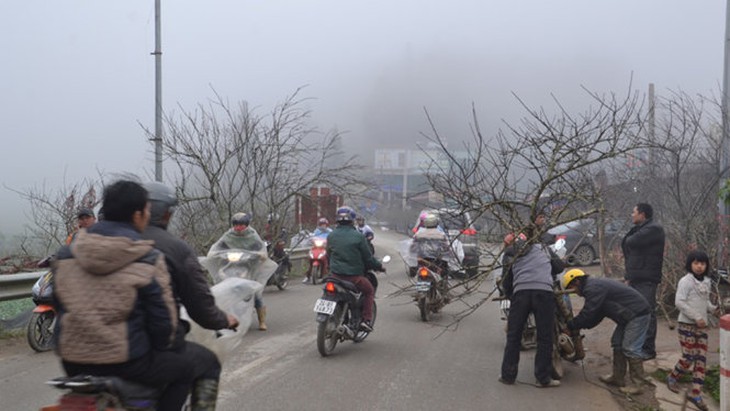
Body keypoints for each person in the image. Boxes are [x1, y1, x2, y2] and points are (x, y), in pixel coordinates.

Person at [52, 180, 194, 411]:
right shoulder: (148, 257)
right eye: (146, 211)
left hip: (72, 361)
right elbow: (163, 322)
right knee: (185, 369)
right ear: (138, 215)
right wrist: (168, 343)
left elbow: (60, 305)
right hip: (126, 362)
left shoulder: (66, 254)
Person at [141, 181, 239, 410]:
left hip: (77, 356)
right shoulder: (175, 248)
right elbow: (200, 306)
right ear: (166, 213)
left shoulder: (105, 244)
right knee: (208, 363)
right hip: (145, 348)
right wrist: (223, 319)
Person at [562, 268, 651, 394]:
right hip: (628, 316)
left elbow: (589, 312)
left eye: (572, 288)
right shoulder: (593, 286)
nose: (575, 293)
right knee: (617, 343)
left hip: (637, 314)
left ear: (576, 282)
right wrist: (579, 326)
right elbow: (596, 314)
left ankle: (638, 385)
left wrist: (571, 326)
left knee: (631, 348)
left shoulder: (593, 288)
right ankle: (618, 378)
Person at [499, 228, 564, 388]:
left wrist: (509, 294)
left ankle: (508, 376)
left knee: (514, 335)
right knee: (544, 336)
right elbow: (559, 267)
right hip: (544, 292)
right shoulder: (544, 248)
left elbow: (506, 277)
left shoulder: (512, 250)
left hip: (521, 293)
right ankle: (543, 378)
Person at [666, 250, 716, 411]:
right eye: (696, 263)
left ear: (706, 265)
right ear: (690, 264)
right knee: (689, 356)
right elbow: (679, 302)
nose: (699, 266)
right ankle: (673, 377)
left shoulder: (707, 282)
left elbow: (705, 301)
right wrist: (696, 317)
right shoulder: (686, 281)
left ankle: (696, 393)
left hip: (701, 327)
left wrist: (713, 309)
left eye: (702, 263)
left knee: (701, 360)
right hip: (686, 325)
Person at [326, 206, 385, 332]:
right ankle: (366, 320)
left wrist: (330, 268)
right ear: (352, 220)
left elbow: (328, 255)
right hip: (353, 277)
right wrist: (379, 266)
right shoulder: (358, 237)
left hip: (334, 276)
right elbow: (368, 258)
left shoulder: (331, 236)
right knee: (369, 291)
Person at [208, 212, 269, 331]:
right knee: (220, 288)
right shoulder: (228, 235)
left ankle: (262, 321)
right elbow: (216, 248)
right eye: (236, 225)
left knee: (256, 293)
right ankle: (219, 318)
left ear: (246, 225)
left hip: (249, 267)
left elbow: (262, 250)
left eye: (241, 225)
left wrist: (259, 255)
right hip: (229, 266)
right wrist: (215, 254)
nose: (238, 227)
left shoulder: (253, 236)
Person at [621, 202, 665, 359]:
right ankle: (636, 346)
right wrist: (628, 277)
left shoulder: (654, 229)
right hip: (636, 278)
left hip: (646, 279)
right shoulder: (641, 229)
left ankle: (648, 349)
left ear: (642, 214)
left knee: (647, 312)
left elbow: (630, 242)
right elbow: (627, 246)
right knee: (635, 313)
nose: (632, 215)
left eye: (634, 212)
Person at [303, 218, 332, 284]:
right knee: (310, 258)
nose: (323, 226)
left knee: (330, 257)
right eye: (321, 224)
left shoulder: (330, 231)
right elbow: (312, 236)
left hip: (325, 248)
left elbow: (333, 237)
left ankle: (329, 274)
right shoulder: (316, 231)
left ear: (326, 225)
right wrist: (310, 239)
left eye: (324, 224)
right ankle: (307, 276)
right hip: (316, 247)